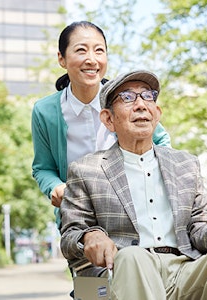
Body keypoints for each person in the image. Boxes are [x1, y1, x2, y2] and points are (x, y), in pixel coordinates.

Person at [60, 70, 207, 299]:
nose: (141, 104)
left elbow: (198, 229)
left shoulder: (186, 164)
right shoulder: (86, 170)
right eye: (127, 97)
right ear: (108, 119)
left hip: (186, 269)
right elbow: (71, 235)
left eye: (148, 96)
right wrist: (90, 236)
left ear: (157, 113)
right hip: (125, 272)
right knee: (133, 257)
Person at [31, 21, 170, 228]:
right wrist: (56, 187)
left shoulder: (127, 101)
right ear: (61, 59)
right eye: (81, 50)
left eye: (99, 51)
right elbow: (43, 168)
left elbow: (161, 141)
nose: (92, 60)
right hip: (79, 215)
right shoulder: (45, 111)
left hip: (135, 208)